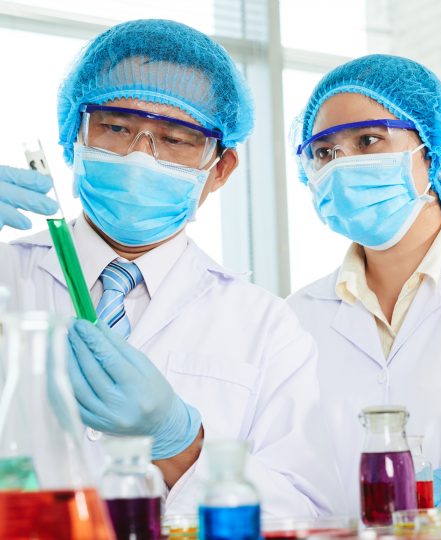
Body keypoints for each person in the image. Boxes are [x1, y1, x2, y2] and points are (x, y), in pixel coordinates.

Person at [0, 19, 339, 516]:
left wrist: (181, 446)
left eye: (176, 138)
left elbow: (310, 510)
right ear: (75, 136)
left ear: (219, 170)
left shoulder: (265, 327)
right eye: (115, 128)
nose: (141, 156)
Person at [287, 54, 441, 514]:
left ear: (432, 148)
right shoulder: (294, 317)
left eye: (368, 140)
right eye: (324, 152)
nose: (342, 166)